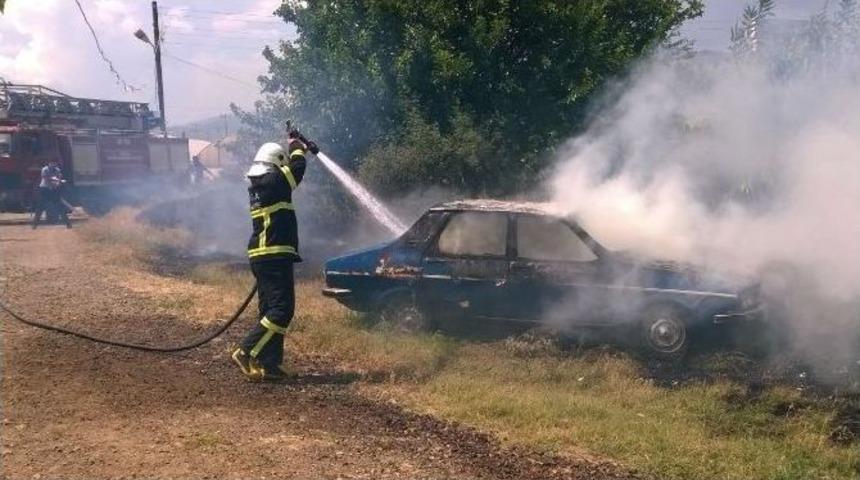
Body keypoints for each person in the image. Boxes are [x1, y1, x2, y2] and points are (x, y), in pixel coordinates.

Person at [230, 132, 307, 382]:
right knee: (282, 310)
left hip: (267, 255)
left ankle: (269, 364)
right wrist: (297, 149)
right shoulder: (273, 181)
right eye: (282, 162)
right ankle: (246, 351)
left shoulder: (261, 183)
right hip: (272, 254)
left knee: (269, 310)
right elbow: (297, 171)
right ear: (276, 162)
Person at [32, 160, 71, 229]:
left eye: (54, 163)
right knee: (40, 208)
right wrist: (55, 180)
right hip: (45, 190)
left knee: (60, 207)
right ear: (49, 164)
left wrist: (59, 182)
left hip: (53, 190)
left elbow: (59, 178)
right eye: (52, 163)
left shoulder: (57, 170)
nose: (53, 164)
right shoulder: (45, 169)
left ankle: (68, 224)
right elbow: (46, 178)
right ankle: (34, 225)